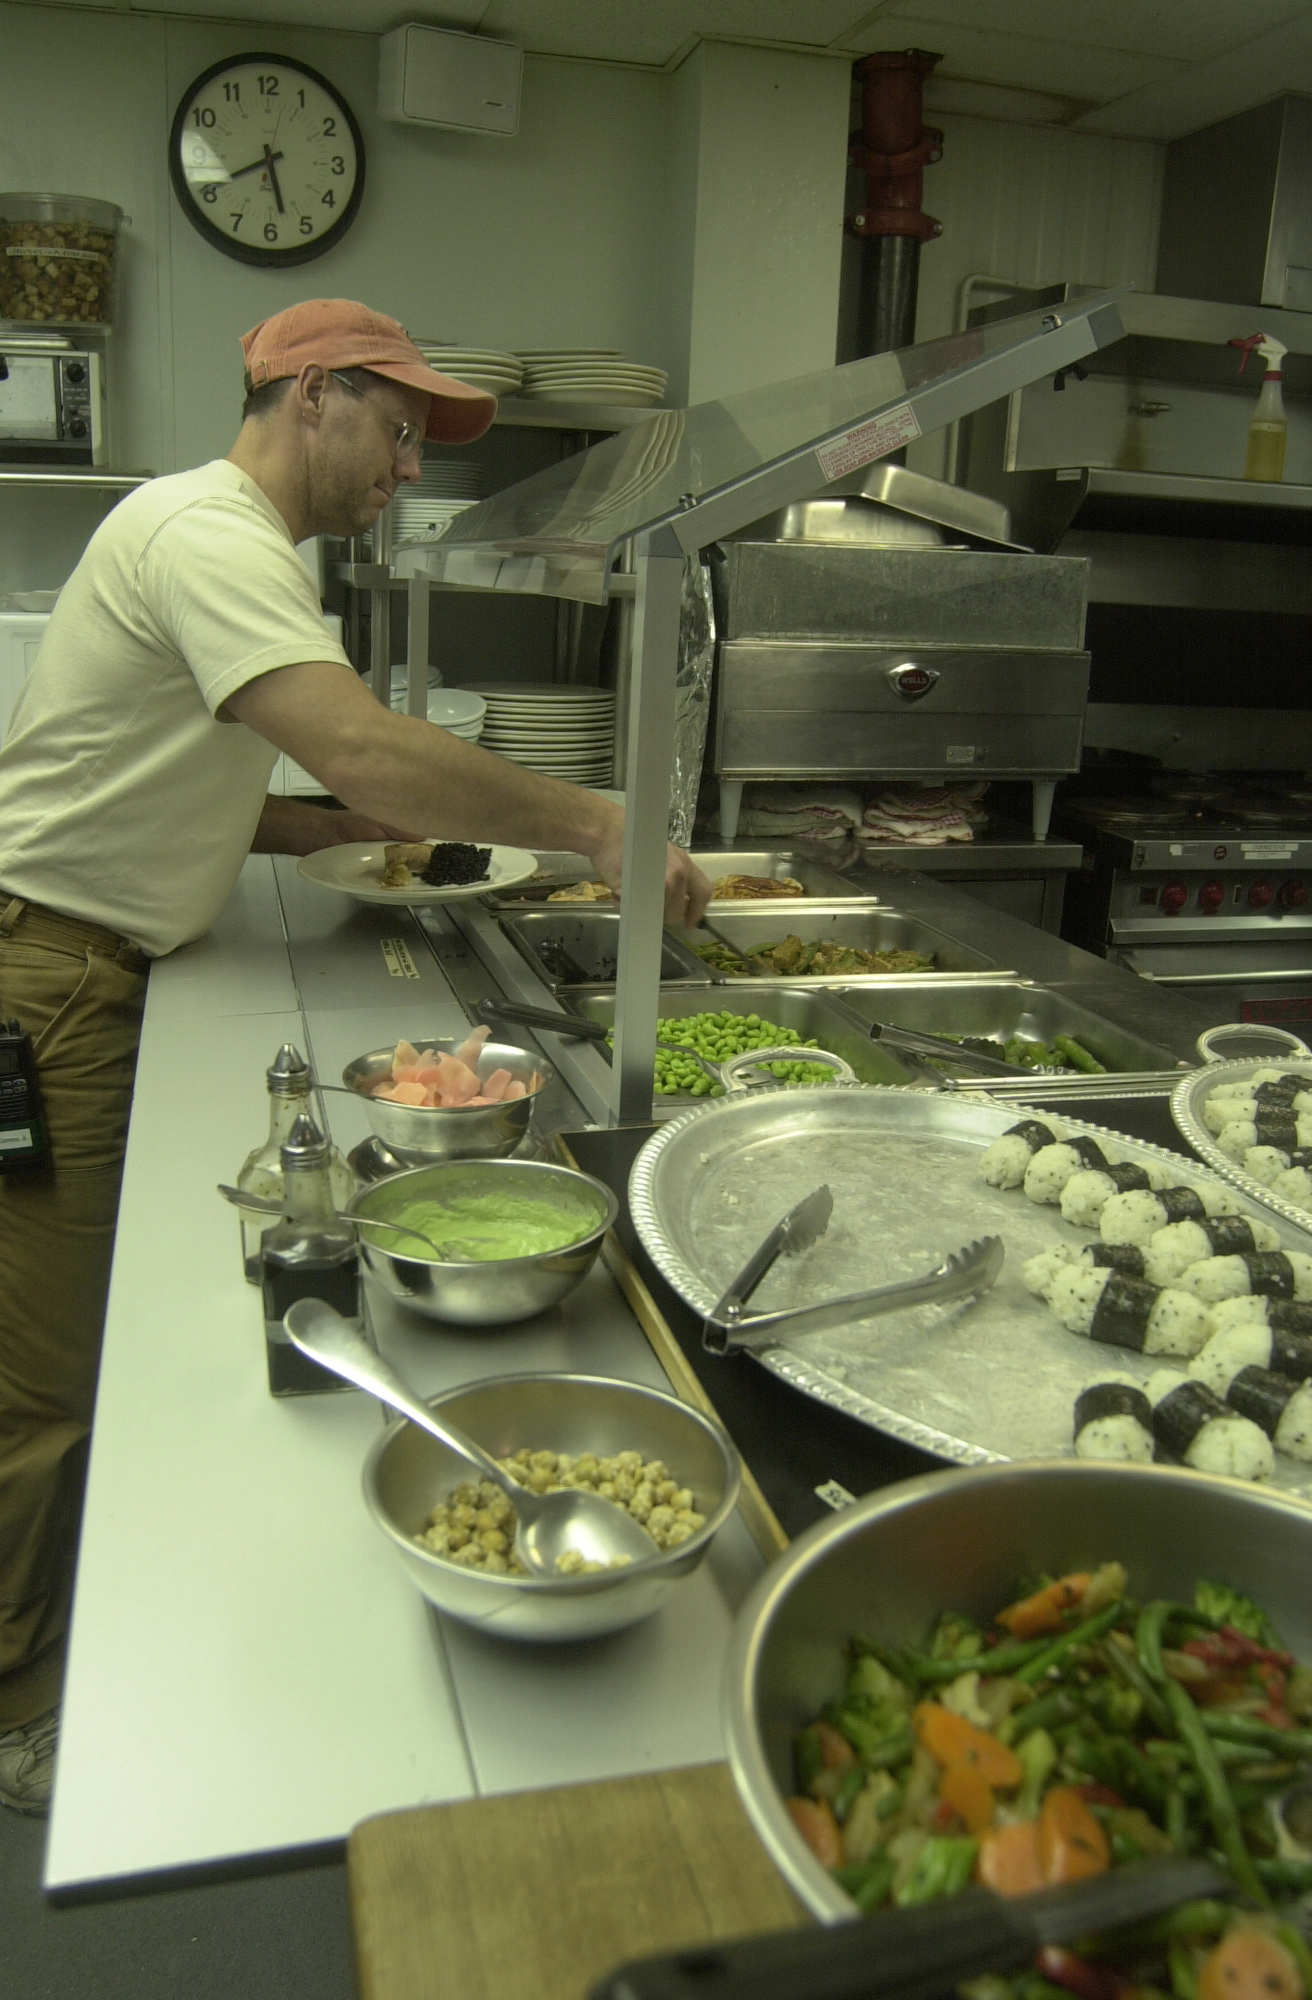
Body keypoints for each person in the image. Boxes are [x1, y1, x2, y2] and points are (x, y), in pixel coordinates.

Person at [0, 297, 711, 1813]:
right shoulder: (209, 533)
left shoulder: (227, 543)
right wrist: (601, 818)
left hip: (83, 954)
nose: (406, 467)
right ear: (308, 390)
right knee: (46, 1369)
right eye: (396, 429)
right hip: (49, 972)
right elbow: (365, 744)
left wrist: (325, 827)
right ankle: (19, 1704)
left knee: (66, 1343)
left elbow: (186, 779)